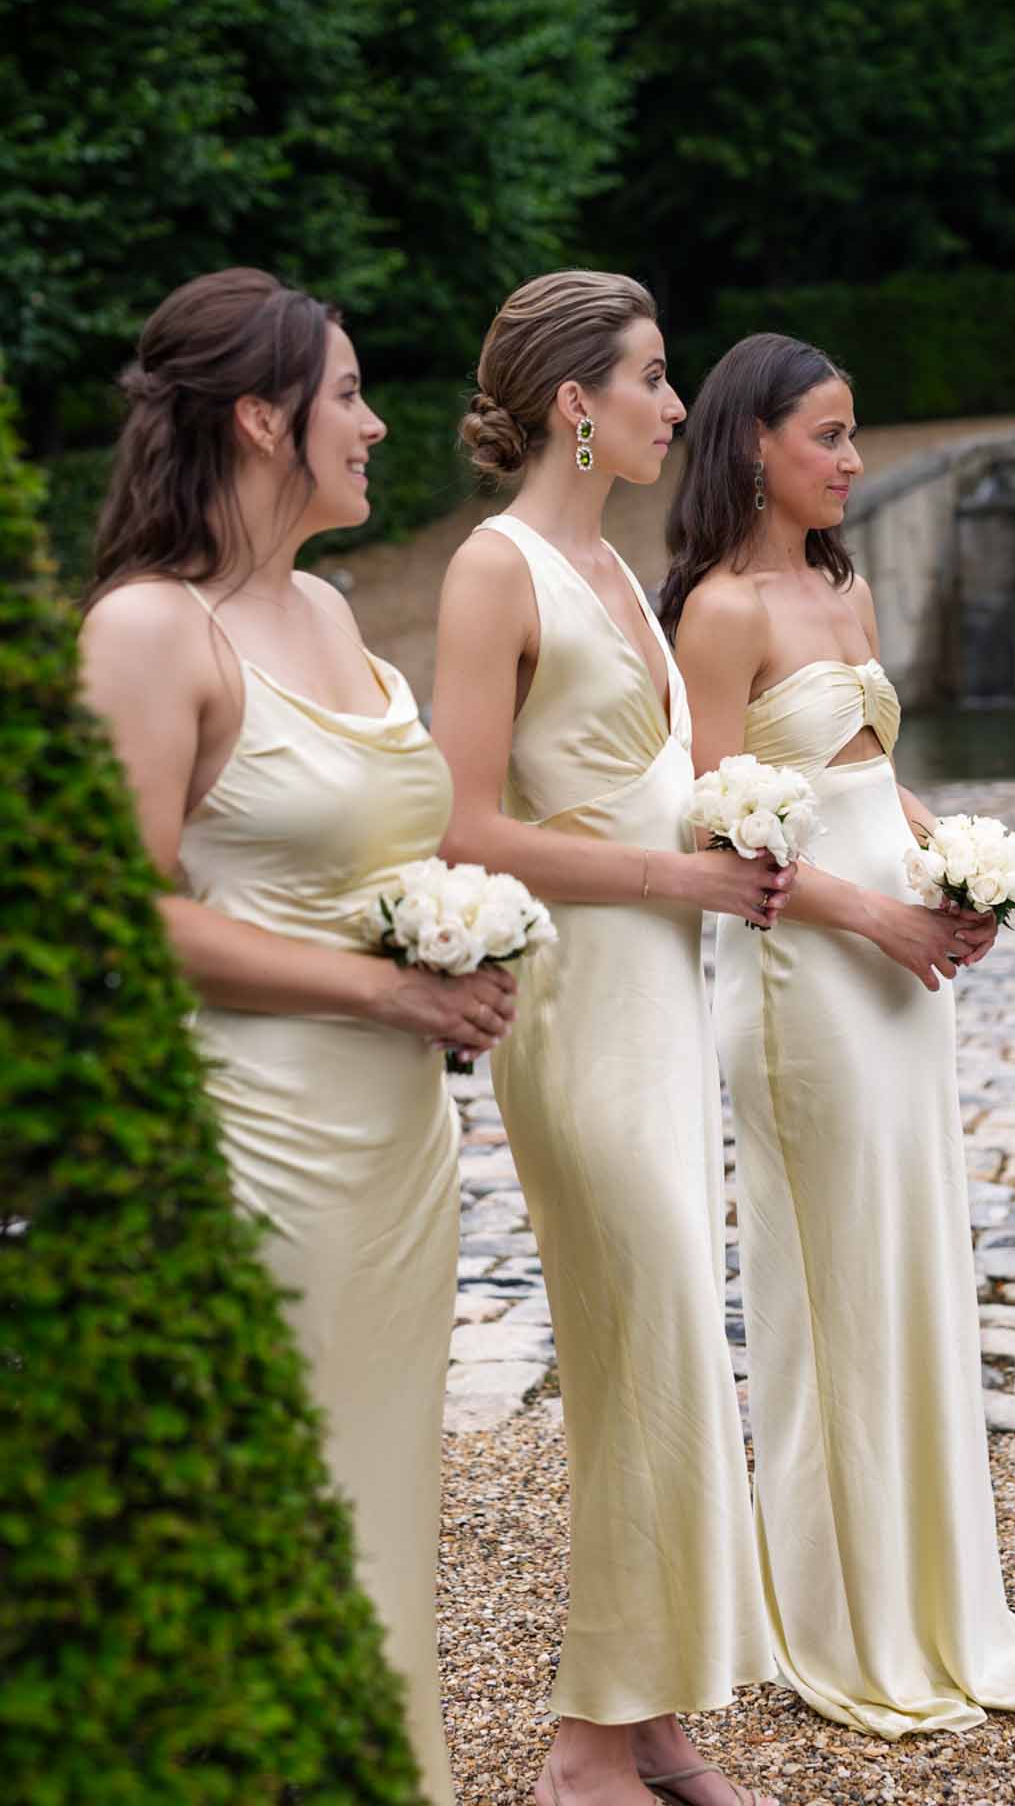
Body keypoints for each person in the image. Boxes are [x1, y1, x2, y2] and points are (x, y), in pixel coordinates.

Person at [79, 267, 517, 1804]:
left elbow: (370, 851)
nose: (378, 422)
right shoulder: (149, 632)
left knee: (378, 1493)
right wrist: (386, 989)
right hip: (256, 1146)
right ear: (263, 419)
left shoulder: (328, 605)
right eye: (347, 395)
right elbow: (122, 917)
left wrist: (446, 942)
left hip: (397, 1146)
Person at [661, 331, 1015, 1739]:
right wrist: (886, 921)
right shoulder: (719, 614)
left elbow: (870, 777)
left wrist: (956, 870)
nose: (853, 460)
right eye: (828, 436)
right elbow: (722, 833)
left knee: (913, 1262)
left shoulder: (837, 585)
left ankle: (939, 1596)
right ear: (751, 447)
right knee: (831, 1283)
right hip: (801, 988)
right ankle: (840, 1616)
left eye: (853, 435)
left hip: (898, 975)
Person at [431, 273, 794, 1806]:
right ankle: (586, 1744)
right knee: (636, 1339)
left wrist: (742, 833)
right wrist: (679, 871)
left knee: (660, 1356)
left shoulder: (623, 573)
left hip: (661, 1005)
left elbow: (639, 782)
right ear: (577, 402)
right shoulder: (492, 571)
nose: (672, 406)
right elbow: (463, 826)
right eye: (651, 379)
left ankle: (652, 1716)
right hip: (576, 1015)